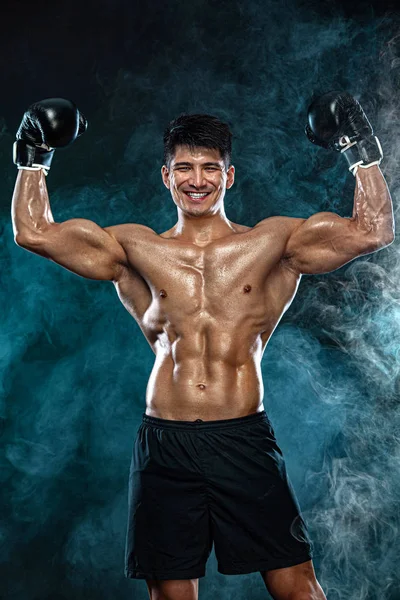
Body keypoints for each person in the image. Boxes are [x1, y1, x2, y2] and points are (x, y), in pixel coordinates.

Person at [11, 93, 394, 600]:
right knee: (171, 593)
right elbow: (33, 233)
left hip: (243, 440)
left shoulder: (272, 243)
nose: (197, 180)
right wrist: (32, 155)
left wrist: (360, 149)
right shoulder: (135, 247)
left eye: (210, 168)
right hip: (165, 444)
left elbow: (374, 231)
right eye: (184, 168)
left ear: (228, 177)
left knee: (297, 587)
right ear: (166, 176)